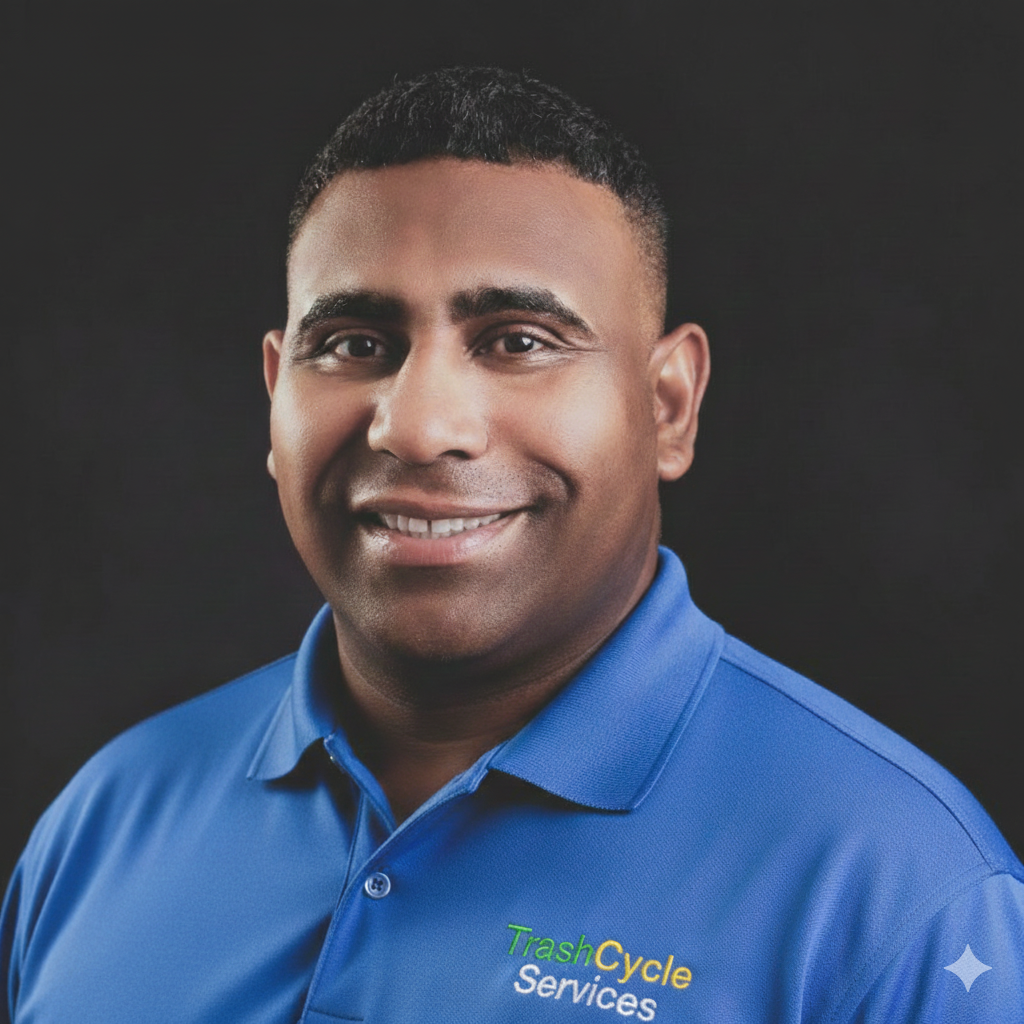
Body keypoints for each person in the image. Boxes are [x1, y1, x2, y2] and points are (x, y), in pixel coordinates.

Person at [2, 66, 1021, 1024]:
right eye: (355, 343)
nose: (417, 424)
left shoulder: (903, 897)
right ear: (276, 395)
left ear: (666, 406)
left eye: (517, 341)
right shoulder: (105, 819)